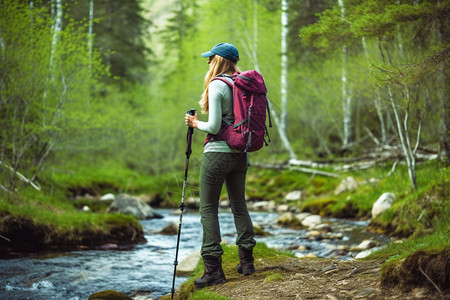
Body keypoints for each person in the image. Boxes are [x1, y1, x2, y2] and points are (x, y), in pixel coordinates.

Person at [185, 43, 256, 289]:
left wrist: (195, 123)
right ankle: (247, 262)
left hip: (217, 153)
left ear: (220, 60)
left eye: (211, 57)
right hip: (240, 154)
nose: (208, 62)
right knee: (239, 205)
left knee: (209, 209)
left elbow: (214, 127)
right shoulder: (244, 84)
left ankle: (213, 271)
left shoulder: (218, 84)